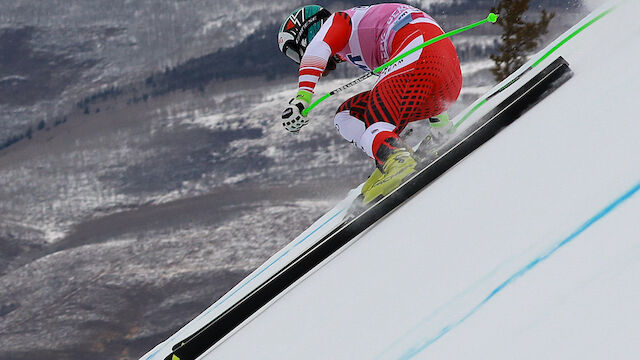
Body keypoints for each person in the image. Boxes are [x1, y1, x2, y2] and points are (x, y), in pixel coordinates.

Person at [278, 4, 462, 203]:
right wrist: (440, 129)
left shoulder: (338, 21)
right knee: (347, 116)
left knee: (376, 117)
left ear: (306, 34)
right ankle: (394, 154)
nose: (299, 60)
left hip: (420, 47)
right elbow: (417, 85)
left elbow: (318, 49)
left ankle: (397, 159)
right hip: (445, 74)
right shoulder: (351, 43)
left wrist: (301, 100)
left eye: (296, 54)